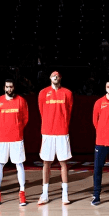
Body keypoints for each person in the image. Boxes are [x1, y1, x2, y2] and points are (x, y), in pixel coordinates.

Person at [0, 79, 30, 206]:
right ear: (4, 88)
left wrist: (16, 128)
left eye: (11, 87)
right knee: (0, 164)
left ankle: (22, 193)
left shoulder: (21, 101)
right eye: (7, 87)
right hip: (2, 138)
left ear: (14, 87)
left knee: (19, 164)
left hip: (17, 138)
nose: (9, 89)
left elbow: (25, 119)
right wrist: (5, 127)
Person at [37, 71, 74, 206]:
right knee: (46, 163)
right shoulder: (43, 93)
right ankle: (45, 194)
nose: (55, 77)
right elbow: (42, 111)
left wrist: (62, 124)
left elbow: (69, 111)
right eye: (53, 75)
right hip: (47, 132)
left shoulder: (67, 93)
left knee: (63, 163)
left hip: (62, 132)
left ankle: (65, 194)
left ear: (60, 78)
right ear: (50, 78)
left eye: (57, 75)